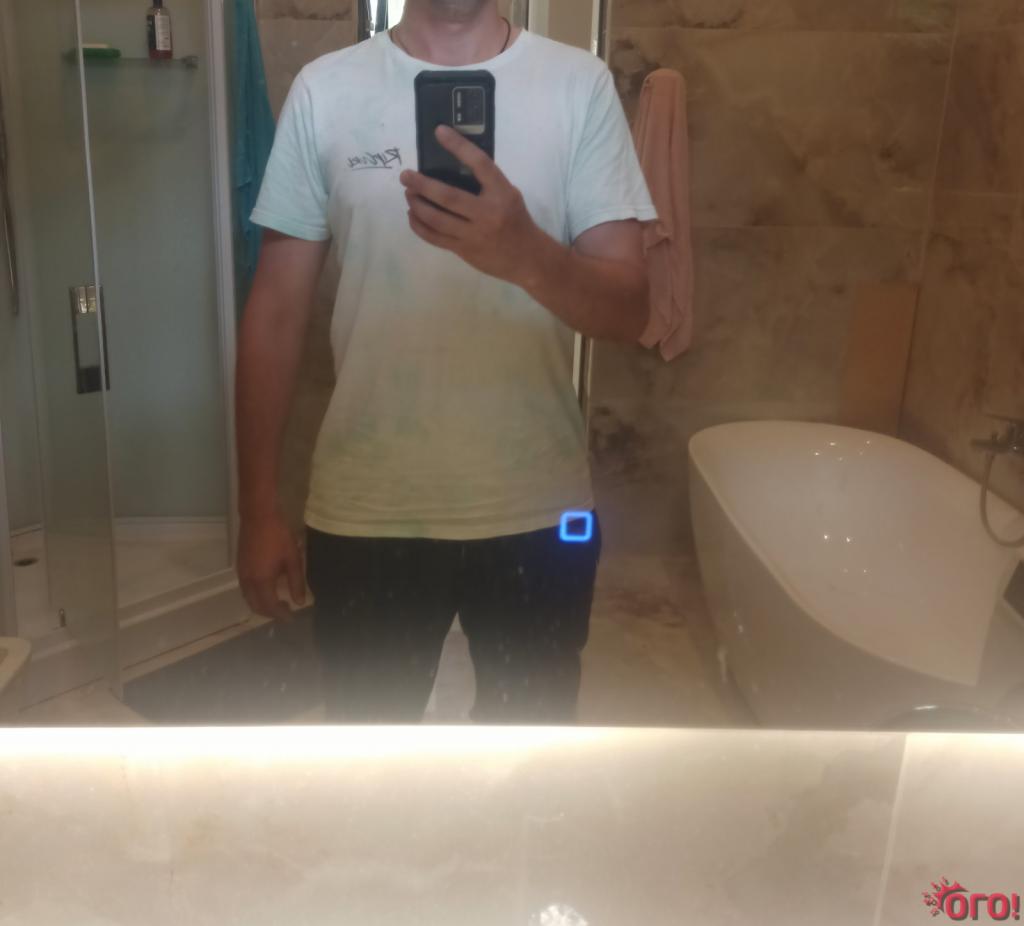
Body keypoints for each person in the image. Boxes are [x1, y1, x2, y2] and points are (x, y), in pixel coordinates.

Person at [236, 0, 656, 724]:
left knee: (529, 765)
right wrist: (257, 510)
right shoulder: (324, 90)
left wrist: (527, 254)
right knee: (372, 765)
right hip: (367, 510)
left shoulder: (578, 85)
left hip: (539, 509)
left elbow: (629, 311)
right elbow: (274, 315)